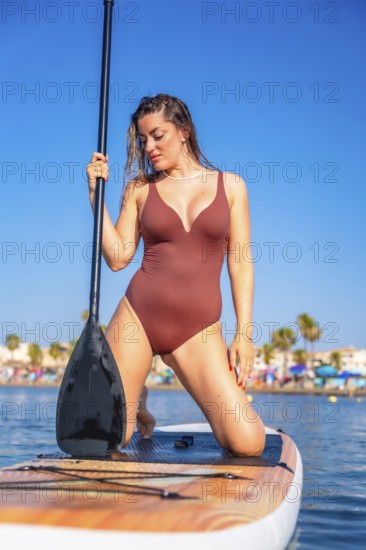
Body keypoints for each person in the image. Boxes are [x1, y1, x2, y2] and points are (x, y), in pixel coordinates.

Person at [86, 94, 265, 457]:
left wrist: (243, 334)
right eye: (142, 140)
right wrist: (95, 196)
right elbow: (119, 258)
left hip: (198, 330)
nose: (148, 147)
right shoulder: (139, 189)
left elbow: (241, 262)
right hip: (139, 316)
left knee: (248, 443)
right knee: (110, 437)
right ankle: (137, 399)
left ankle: (138, 390)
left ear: (183, 131)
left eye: (157, 135)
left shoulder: (230, 187)